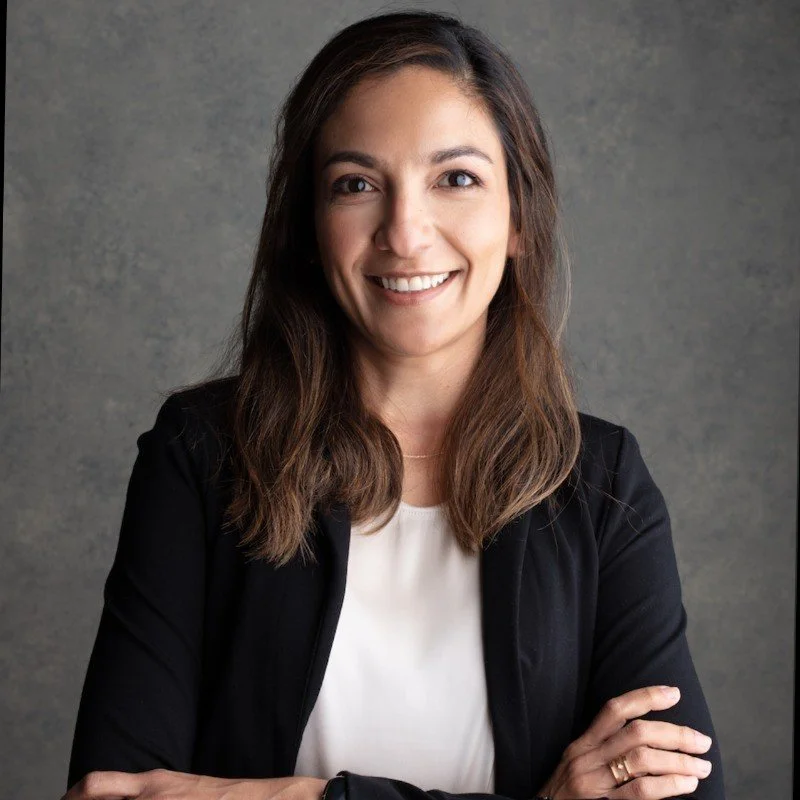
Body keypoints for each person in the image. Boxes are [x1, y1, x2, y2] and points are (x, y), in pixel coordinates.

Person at [63, 10, 726, 800]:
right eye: (356, 184)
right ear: (310, 228)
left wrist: (287, 795)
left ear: (519, 217)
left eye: (456, 178)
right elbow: (112, 795)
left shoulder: (603, 483)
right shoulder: (203, 454)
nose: (405, 234)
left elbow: (687, 791)